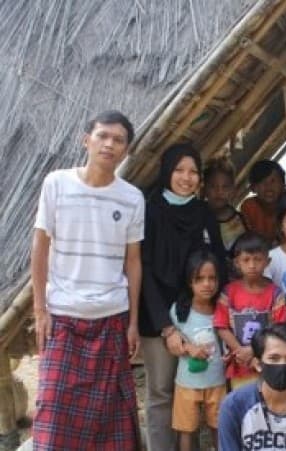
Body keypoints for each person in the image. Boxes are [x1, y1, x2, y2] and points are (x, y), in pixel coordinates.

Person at [31, 110, 143, 449]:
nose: (109, 144)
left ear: (126, 151)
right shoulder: (56, 183)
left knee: (112, 424)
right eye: (102, 136)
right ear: (86, 140)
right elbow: (39, 247)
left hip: (112, 319)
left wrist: (133, 322)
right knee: (52, 415)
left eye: (118, 140)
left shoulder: (132, 197)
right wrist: (40, 310)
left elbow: (133, 262)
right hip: (63, 318)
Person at [139, 142, 227, 451]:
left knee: (202, 387)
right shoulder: (150, 210)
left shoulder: (203, 213)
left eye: (193, 172)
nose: (186, 178)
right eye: (179, 170)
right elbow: (144, 271)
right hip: (157, 316)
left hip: (199, 315)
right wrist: (167, 327)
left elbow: (218, 262)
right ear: (166, 172)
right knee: (162, 391)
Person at [167, 250, 227, 451]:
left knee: (219, 426)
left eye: (212, 278)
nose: (207, 284)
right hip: (187, 382)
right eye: (199, 279)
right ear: (189, 282)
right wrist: (187, 348)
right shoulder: (179, 311)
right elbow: (171, 343)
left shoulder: (222, 309)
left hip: (217, 380)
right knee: (186, 430)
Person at [215, 232, 286, 388]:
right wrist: (241, 351)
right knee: (243, 405)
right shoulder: (228, 292)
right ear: (236, 263)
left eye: (257, 259)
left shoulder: (275, 294)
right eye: (246, 260)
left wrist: (254, 351)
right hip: (240, 365)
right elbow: (221, 326)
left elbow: (279, 329)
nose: (252, 265)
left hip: (268, 363)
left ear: (267, 261)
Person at [203, 157, 247, 253]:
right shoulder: (198, 219)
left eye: (225, 187)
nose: (219, 192)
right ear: (205, 189)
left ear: (233, 190)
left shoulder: (241, 221)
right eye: (213, 186)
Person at [240, 159, 286, 246]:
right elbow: (248, 239)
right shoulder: (249, 206)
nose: (268, 187)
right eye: (262, 182)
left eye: (273, 181)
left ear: (283, 185)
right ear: (253, 188)